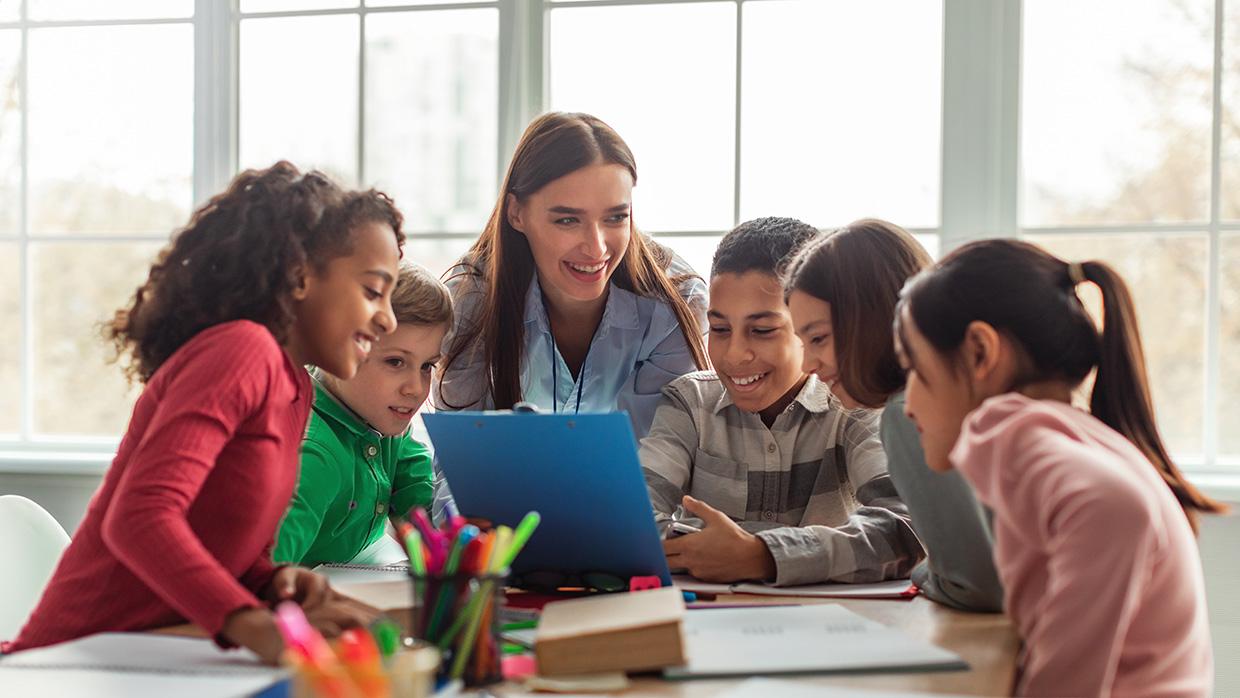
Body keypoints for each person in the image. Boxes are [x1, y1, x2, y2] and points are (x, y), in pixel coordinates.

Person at [3, 162, 398, 664]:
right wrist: (254, 626)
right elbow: (139, 518)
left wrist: (274, 584)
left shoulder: (295, 390)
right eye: (372, 290)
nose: (386, 318)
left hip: (153, 661)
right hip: (70, 664)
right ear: (300, 275)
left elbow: (230, 553)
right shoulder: (241, 350)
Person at [895, 238, 1224, 696]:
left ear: (980, 353)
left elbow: (1113, 505)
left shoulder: (1028, 441)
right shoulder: (1064, 435)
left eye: (914, 367)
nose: (907, 404)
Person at [642, 217, 922, 585]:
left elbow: (904, 530)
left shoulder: (853, 405)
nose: (735, 354)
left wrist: (761, 556)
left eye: (762, 331)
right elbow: (636, 524)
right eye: (721, 329)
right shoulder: (689, 403)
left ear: (808, 327)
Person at [784, 219, 1003, 611]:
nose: (806, 365)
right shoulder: (969, 396)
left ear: (870, 320)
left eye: (818, 339)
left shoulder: (910, 414)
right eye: (801, 343)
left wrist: (923, 570)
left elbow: (975, 585)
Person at [275, 261, 451, 567]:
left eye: (427, 366)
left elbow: (419, 497)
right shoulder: (315, 455)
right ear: (337, 346)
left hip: (356, 573)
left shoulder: (383, 424)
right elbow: (265, 573)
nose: (415, 388)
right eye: (395, 362)